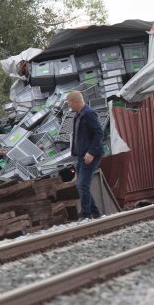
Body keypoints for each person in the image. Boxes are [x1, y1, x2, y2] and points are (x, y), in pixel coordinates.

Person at [66, 91, 105, 220]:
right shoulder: (78, 115)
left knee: (83, 185)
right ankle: (96, 214)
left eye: (69, 103)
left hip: (90, 155)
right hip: (82, 156)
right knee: (81, 185)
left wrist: (91, 152)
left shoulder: (89, 114)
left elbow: (99, 133)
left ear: (76, 102)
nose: (68, 106)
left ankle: (86, 215)